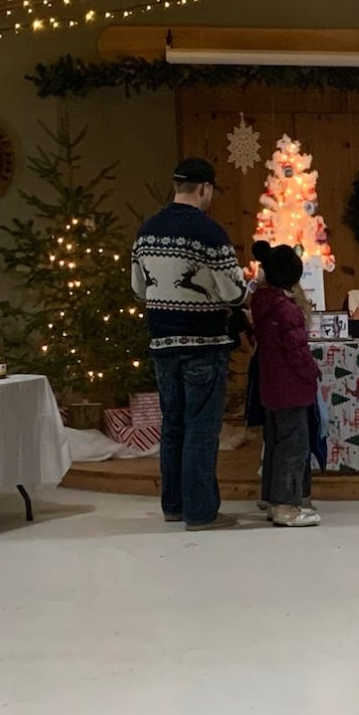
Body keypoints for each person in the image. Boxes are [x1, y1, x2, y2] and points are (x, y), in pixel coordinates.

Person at [130, 157, 249, 531]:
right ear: (204, 189)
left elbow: (138, 289)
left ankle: (174, 506)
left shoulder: (146, 232)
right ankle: (201, 513)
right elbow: (233, 293)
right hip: (204, 343)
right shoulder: (210, 234)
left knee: (173, 427)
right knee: (201, 428)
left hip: (162, 342)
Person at [248, 243, 322, 528]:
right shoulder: (287, 310)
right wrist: (312, 372)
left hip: (271, 386)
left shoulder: (261, 301)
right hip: (291, 388)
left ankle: (271, 498)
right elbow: (297, 352)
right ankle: (286, 506)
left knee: (276, 445)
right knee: (294, 447)